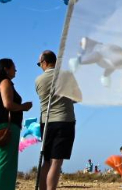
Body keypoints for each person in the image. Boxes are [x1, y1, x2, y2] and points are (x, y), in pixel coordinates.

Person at [0, 58, 33, 190]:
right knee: (6, 164)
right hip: (6, 127)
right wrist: (24, 106)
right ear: (6, 69)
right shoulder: (5, 82)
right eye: (13, 67)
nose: (15, 70)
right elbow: (8, 104)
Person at [35, 50, 78, 190]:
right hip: (64, 121)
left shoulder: (38, 80)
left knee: (46, 161)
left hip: (46, 122)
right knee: (56, 162)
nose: (39, 66)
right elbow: (77, 97)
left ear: (45, 62)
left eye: (39, 64)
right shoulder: (66, 76)